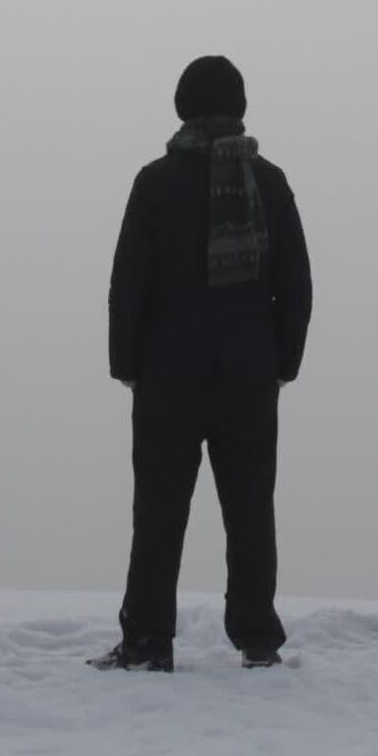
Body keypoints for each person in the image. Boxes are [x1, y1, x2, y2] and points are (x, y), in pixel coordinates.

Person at [97, 55, 313, 670]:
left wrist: (126, 362)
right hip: (248, 371)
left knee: (159, 509)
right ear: (239, 108)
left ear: (181, 107)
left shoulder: (156, 182)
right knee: (250, 506)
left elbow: (128, 283)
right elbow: (296, 283)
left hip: (168, 371)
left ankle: (148, 640)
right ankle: (257, 636)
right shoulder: (268, 182)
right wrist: (283, 362)